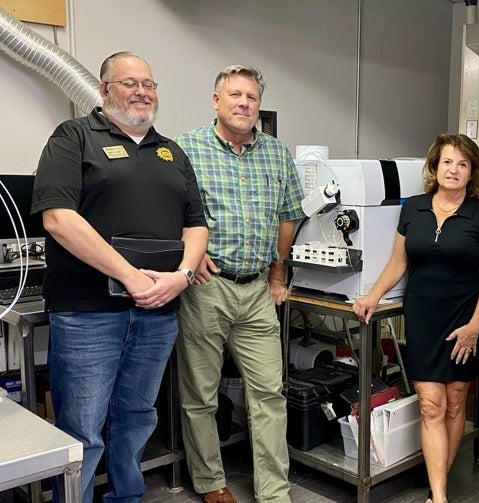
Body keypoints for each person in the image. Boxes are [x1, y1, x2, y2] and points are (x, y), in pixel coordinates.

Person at [31, 51, 209, 503]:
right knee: (82, 427)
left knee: (136, 417)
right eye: (129, 82)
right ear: (104, 89)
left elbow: (196, 225)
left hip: (158, 312)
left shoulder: (172, 151)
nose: (142, 91)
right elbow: (57, 218)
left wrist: (184, 276)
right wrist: (130, 275)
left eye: (149, 84)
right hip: (88, 314)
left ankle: (126, 497)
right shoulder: (73, 137)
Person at [174, 65, 304, 503]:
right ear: (216, 100)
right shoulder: (186, 148)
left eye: (251, 96)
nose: (244, 103)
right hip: (206, 288)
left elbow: (288, 216)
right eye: (235, 95)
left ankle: (274, 491)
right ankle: (211, 481)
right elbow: (167, 210)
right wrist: (190, 254)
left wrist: (278, 272)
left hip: (256, 291)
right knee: (201, 394)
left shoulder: (276, 152)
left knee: (270, 391)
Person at [352, 133, 479, 503]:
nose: (454, 169)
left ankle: (439, 486)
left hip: (465, 320)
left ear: (472, 172)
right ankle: (440, 496)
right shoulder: (414, 207)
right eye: (447, 162)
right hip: (422, 317)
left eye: (463, 164)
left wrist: (475, 327)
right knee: (430, 404)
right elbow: (399, 262)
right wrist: (373, 295)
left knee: (454, 403)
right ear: (435, 166)